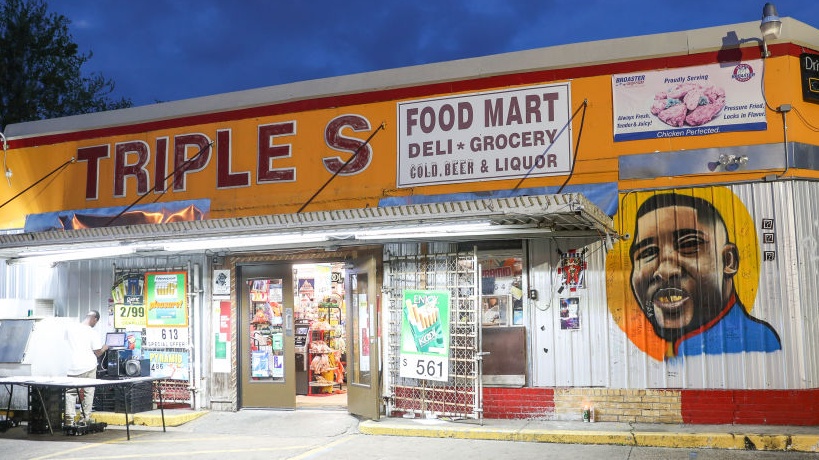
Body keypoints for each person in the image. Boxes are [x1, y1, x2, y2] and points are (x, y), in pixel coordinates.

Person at [628, 193, 781, 357]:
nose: (664, 271)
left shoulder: (759, 344)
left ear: (728, 261)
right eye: (648, 253)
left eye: (689, 244)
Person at [64, 310, 108, 427]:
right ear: (94, 319)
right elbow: (98, 353)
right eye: (96, 321)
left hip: (72, 366)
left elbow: (65, 345)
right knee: (88, 392)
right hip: (88, 366)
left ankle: (69, 419)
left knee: (71, 392)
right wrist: (105, 347)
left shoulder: (70, 329)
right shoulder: (92, 332)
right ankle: (85, 418)